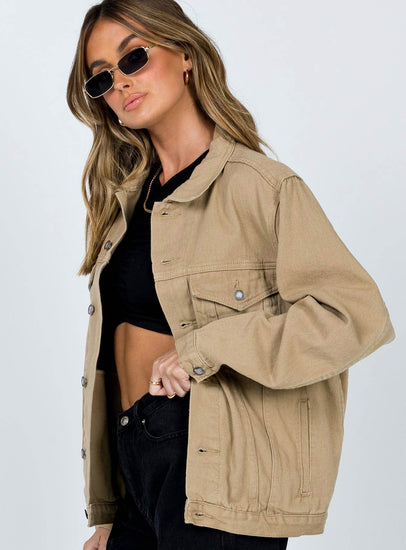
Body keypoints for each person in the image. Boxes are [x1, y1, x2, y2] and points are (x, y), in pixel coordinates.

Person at [66, 1, 396, 549]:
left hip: (218, 473)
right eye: (101, 78)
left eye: (134, 58)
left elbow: (356, 316)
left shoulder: (262, 188)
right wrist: (111, 509)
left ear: (186, 55)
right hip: (138, 477)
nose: (119, 83)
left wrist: (205, 348)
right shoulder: (125, 203)